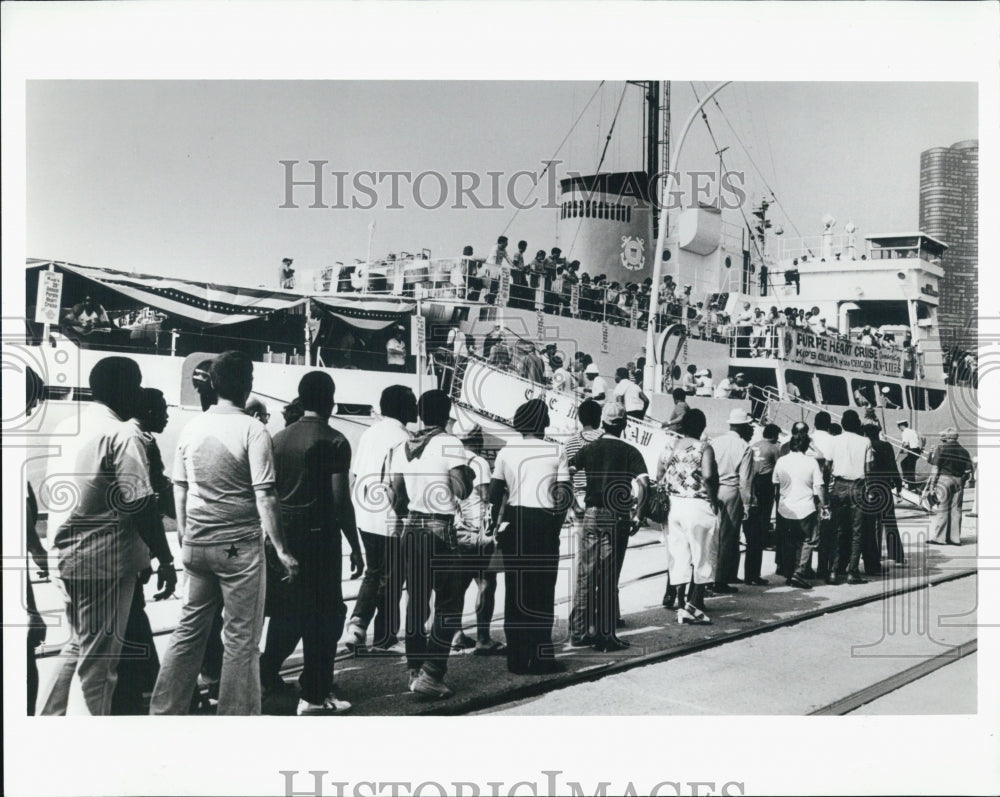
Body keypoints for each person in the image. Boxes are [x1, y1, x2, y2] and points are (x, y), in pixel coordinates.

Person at [151, 351, 299, 715]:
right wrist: (281, 549)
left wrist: (185, 535)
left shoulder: (191, 428)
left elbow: (180, 489)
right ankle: (236, 717)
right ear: (247, 384)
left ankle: (164, 711)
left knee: (189, 630)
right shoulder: (254, 429)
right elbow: (265, 494)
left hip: (197, 545)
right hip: (239, 549)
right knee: (241, 638)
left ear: (213, 384)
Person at [39, 358, 173, 716]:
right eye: (137, 385)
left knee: (77, 647)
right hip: (105, 563)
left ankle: (47, 721)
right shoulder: (123, 433)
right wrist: (167, 558)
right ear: (125, 389)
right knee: (100, 669)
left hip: (66, 555)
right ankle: (88, 752)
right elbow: (141, 504)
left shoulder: (71, 424)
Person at [258, 372, 362, 715]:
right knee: (327, 615)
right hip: (320, 540)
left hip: (282, 538)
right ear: (330, 399)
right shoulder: (334, 440)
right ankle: (314, 695)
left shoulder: (278, 438)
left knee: (287, 611)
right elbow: (339, 500)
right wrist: (355, 544)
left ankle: (265, 674)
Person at [390, 390, 473, 699]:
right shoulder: (450, 443)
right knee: (450, 604)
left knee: (416, 602)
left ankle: (415, 670)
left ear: (421, 413)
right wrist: (468, 475)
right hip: (440, 528)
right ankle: (432, 673)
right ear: (447, 413)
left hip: (411, 527)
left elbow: (396, 494)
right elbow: (461, 489)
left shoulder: (404, 446)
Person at [489, 399, 571, 674]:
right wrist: (554, 526)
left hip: (514, 523)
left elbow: (494, 497)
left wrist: (495, 528)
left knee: (515, 592)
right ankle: (540, 657)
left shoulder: (505, 452)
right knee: (542, 592)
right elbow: (564, 496)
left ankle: (516, 659)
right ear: (543, 422)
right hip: (543, 523)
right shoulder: (556, 450)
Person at [113, 388, 177, 715]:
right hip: (120, 553)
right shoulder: (135, 440)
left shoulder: (144, 440)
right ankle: (154, 692)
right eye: (163, 408)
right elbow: (144, 503)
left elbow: (157, 489)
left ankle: (151, 690)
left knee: (134, 620)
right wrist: (164, 558)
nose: (168, 415)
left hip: (128, 551)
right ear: (149, 411)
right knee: (131, 622)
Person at [567, 402, 647, 651]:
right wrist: (639, 515)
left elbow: (566, 471)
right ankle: (604, 635)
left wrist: (572, 504)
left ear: (604, 422)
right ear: (623, 424)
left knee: (586, 574)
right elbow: (644, 484)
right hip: (617, 517)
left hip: (591, 514)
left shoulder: (590, 448)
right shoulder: (629, 452)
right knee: (609, 576)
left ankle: (579, 633)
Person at [345, 385, 417, 653]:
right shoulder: (403, 438)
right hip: (390, 517)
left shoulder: (369, 433)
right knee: (393, 578)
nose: (416, 407)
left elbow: (354, 475)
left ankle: (358, 624)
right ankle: (385, 638)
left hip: (365, 514)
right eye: (412, 402)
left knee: (375, 571)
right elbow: (398, 484)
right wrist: (406, 516)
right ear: (402, 407)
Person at [659, 409, 719, 623]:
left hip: (673, 506)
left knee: (679, 555)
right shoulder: (704, 447)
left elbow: (659, 474)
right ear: (702, 427)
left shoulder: (670, 446)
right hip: (697, 503)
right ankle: (693, 606)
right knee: (702, 555)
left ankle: (681, 604)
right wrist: (713, 499)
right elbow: (709, 476)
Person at [451, 421, 504, 655]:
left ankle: (455, 634)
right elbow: (486, 496)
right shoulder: (479, 462)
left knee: (457, 586)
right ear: (477, 439)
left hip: (457, 529)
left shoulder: (452, 460)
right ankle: (483, 638)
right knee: (486, 583)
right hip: (479, 532)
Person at [773, 423, 827, 589]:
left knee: (789, 541)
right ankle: (799, 572)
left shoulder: (781, 461)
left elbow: (775, 484)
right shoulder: (812, 463)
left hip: (785, 508)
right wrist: (825, 506)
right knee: (809, 540)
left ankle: (789, 573)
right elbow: (819, 487)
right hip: (806, 507)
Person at [711, 408, 755, 593]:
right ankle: (720, 580)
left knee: (712, 536)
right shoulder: (744, 447)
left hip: (712, 489)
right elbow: (745, 480)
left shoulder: (714, 442)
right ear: (743, 427)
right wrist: (747, 503)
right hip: (731, 490)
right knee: (728, 537)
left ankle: (707, 576)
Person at [827, 409, 873, 584]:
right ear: (858, 424)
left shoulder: (834, 440)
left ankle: (833, 571)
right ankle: (852, 572)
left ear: (844, 424)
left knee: (837, 530)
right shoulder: (865, 441)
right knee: (857, 531)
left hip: (838, 486)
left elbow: (827, 466)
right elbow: (869, 469)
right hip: (858, 487)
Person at [863, 423, 907, 566]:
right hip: (885, 487)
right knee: (890, 522)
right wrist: (899, 485)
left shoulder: (864, 445)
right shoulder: (886, 446)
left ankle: (875, 555)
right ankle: (897, 557)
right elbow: (892, 467)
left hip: (869, 487)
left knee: (872, 524)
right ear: (878, 432)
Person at [744, 423, 781, 586]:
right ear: (775, 435)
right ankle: (754, 574)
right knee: (760, 532)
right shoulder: (773, 448)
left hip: (750, 485)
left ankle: (748, 574)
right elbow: (779, 469)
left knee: (751, 532)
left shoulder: (753, 446)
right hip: (765, 486)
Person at [926, 428, 973, 545]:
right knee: (956, 509)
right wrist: (962, 481)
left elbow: (935, 467)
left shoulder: (941, 448)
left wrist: (931, 485)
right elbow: (969, 470)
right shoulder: (964, 451)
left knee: (943, 508)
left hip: (944, 479)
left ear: (947, 437)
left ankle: (939, 538)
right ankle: (955, 538)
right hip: (959, 480)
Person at [896, 419, 922, 489]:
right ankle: (906, 480)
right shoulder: (912, 431)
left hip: (913, 451)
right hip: (917, 450)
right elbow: (920, 439)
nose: (899, 429)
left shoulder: (905, 432)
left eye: (899, 427)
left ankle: (911, 487)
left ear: (901, 426)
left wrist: (900, 451)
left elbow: (905, 443)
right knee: (903, 463)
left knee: (910, 468)